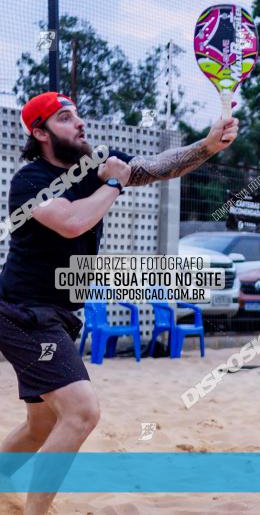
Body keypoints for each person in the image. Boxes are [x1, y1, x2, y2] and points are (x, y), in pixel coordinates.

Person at [0, 91, 238, 514]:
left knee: (42, 425)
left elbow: (154, 167)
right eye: (65, 117)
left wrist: (207, 145)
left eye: (77, 114)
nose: (79, 123)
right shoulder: (29, 181)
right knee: (82, 411)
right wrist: (112, 182)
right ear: (39, 132)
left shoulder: (96, 164)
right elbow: (72, 223)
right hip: (23, 314)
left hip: (55, 314)